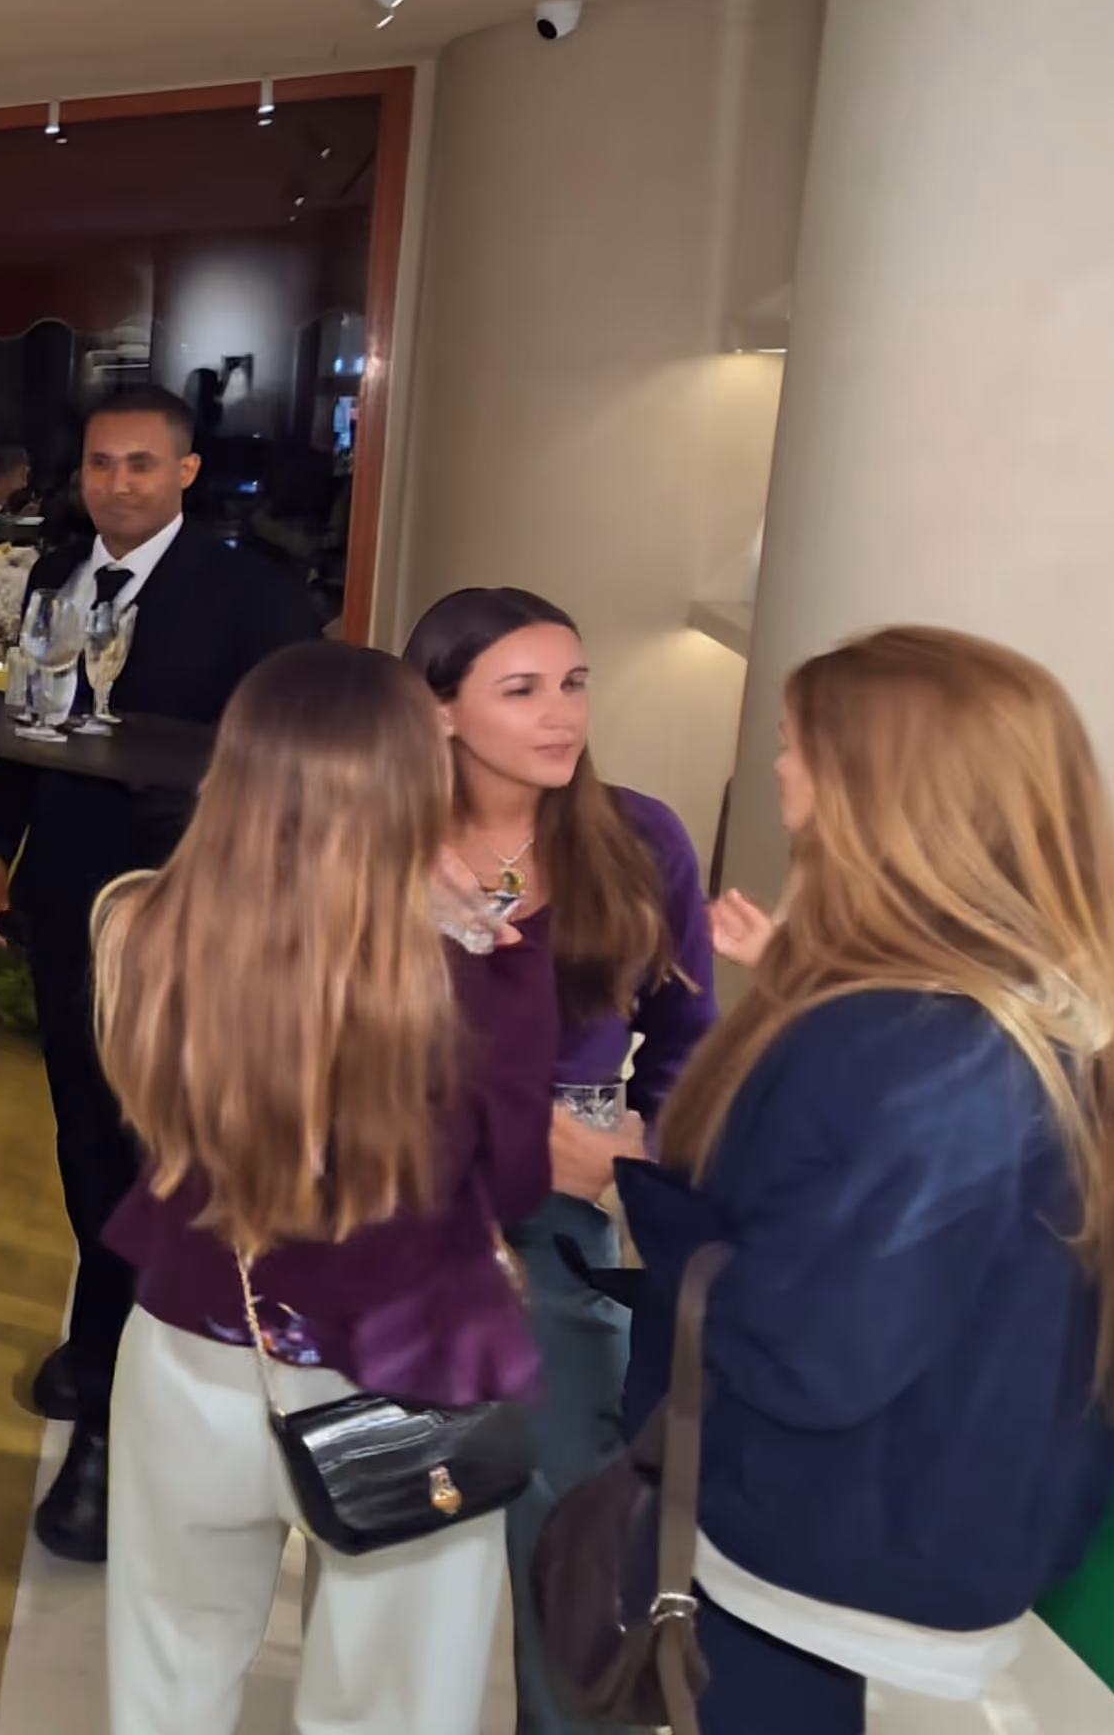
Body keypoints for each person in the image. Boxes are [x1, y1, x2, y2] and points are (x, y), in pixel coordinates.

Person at [620, 628, 1114, 1734]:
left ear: (877, 789)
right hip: (933, 1518)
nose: (776, 768)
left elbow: (816, 1349)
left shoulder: (924, 1045)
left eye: (794, 745)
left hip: (832, 1557)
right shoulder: (1036, 1002)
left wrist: (641, 1193)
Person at [95, 642, 544, 1731]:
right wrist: (467, 926)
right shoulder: (477, 971)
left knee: (167, 1675)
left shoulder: (140, 925)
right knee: (388, 1706)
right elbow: (516, 1182)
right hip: (408, 1368)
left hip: (192, 1351)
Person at [0, 384, 322, 1563]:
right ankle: (99, 1331)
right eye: (99, 464)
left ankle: (120, 1425)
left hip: (187, 916)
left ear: (185, 472)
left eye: (140, 464)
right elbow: (25, 726)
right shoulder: (57, 579)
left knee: (156, 1152)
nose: (116, 483)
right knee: (82, 1128)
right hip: (69, 901)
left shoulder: (254, 594)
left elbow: (292, 765)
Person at [404, 586, 717, 1735]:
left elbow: (689, 1042)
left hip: (564, 1219)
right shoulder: (381, 839)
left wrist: (639, 1156)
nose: (562, 713)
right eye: (523, 688)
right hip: (406, 1204)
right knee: (405, 1508)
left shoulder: (640, 839)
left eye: (575, 682)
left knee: (567, 1518)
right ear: (441, 711)